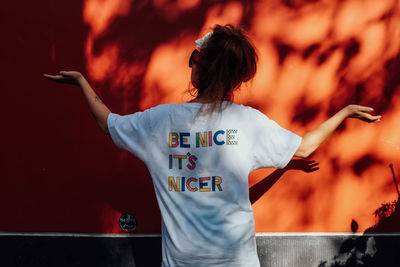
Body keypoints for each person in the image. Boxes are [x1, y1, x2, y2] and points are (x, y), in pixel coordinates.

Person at [44, 24, 381, 267]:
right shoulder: (247, 122)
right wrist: (344, 112)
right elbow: (304, 147)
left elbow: (108, 123)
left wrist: (80, 82)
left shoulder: (159, 122)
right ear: (236, 78)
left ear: (198, 70)